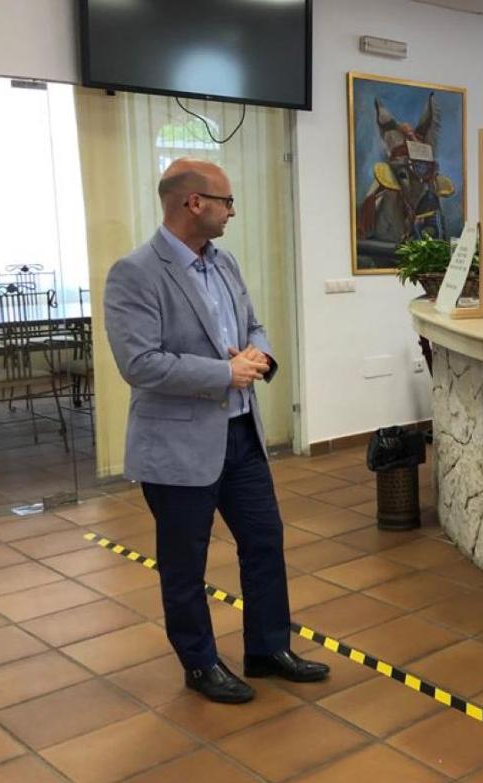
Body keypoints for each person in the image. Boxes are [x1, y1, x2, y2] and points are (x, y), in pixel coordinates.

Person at [104, 158, 328, 704]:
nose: (232, 211)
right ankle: (200, 663)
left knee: (264, 542)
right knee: (185, 564)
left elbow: (254, 326)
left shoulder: (224, 263)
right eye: (226, 201)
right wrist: (224, 373)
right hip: (178, 445)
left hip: (241, 435)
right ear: (194, 203)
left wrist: (260, 355)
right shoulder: (135, 273)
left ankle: (268, 649)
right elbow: (139, 363)